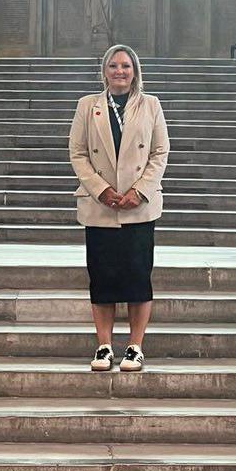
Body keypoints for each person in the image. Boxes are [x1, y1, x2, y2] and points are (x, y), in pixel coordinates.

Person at [69, 44, 170, 372]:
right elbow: (78, 153)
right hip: (101, 206)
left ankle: (135, 347)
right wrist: (101, 190)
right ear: (105, 71)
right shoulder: (88, 105)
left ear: (135, 71)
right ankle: (104, 346)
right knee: (102, 278)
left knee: (138, 277)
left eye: (126, 66)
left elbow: (160, 152)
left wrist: (139, 191)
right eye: (113, 66)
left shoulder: (151, 105)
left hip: (138, 206)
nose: (120, 71)